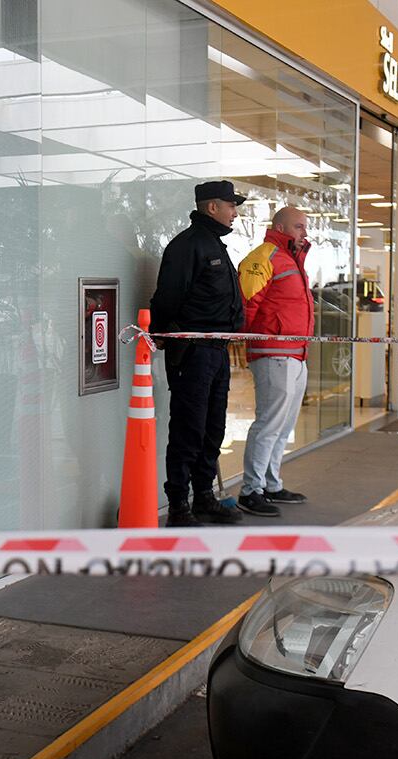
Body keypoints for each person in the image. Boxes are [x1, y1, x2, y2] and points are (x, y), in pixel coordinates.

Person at [149, 181, 247, 527]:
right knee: (188, 430)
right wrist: (164, 334)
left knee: (213, 428)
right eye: (230, 205)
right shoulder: (188, 246)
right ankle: (179, 506)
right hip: (193, 353)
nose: (234, 212)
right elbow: (167, 297)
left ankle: (204, 497)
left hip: (216, 352)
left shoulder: (214, 246)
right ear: (211, 208)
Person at [236, 206, 313, 517]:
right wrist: (247, 341)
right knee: (269, 423)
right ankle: (250, 490)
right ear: (280, 226)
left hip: (296, 353)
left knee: (284, 426)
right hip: (273, 352)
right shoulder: (264, 256)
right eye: (298, 226)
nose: (304, 233)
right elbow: (246, 303)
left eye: (305, 227)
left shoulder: (294, 260)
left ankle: (270, 483)